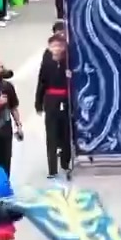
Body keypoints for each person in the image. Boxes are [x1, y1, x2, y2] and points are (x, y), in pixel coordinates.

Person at [34, 33, 72, 179]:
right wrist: (38, 103)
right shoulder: (47, 63)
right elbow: (41, 83)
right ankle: (52, 169)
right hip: (51, 100)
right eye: (53, 46)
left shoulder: (69, 62)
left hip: (66, 100)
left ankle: (65, 163)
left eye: (59, 46)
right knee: (51, 134)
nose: (56, 49)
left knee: (66, 132)